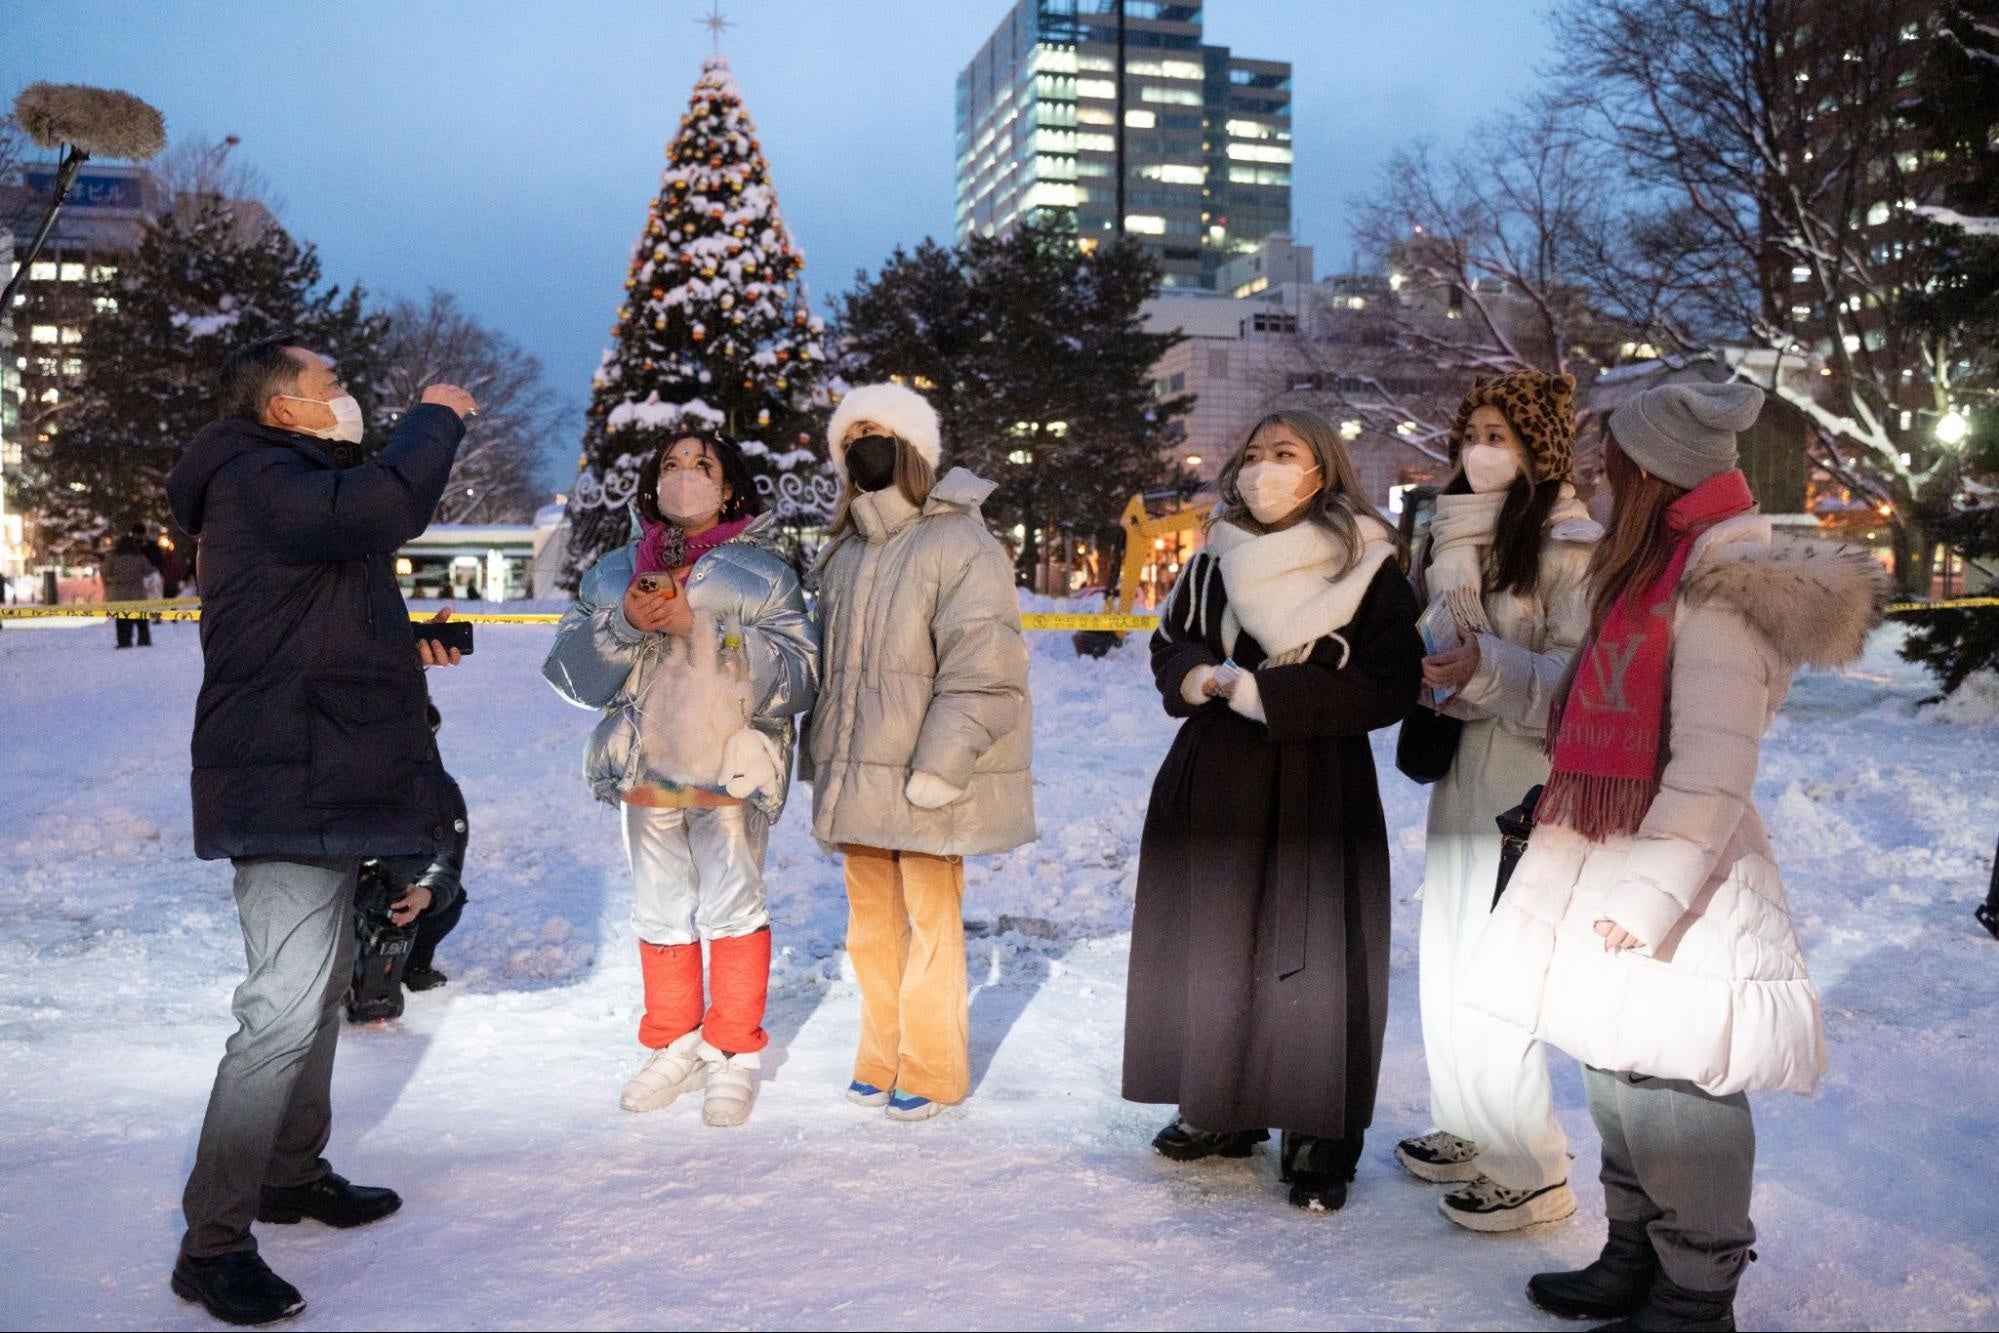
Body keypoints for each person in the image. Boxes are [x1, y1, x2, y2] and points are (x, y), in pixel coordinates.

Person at [1465, 382, 1888, 1329]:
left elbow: (1711, 765)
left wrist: (1651, 896)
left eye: (1612, 468)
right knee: (1615, 1066)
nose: (1601, 484)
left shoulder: (1719, 588)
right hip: (1608, 848)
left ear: (1651, 471)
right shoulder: (1650, 571)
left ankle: (1695, 1295)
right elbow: (1589, 712)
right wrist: (1485, 669)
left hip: (1678, 873)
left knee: (1676, 1085)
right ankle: (1633, 1254)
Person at [163, 332, 474, 1326]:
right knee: (279, 1012)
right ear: (284, 408)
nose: (344, 397)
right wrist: (438, 415)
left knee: (320, 989)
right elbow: (386, 502)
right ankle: (211, 1245)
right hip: (285, 780)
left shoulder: (284, 481)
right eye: (328, 384)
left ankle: (289, 1173)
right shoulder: (257, 477)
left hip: (321, 770)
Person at [1122, 409, 1423, 1212]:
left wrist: (1263, 692)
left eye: (1283, 453)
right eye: (1253, 453)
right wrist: (1204, 679)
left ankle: (1321, 1130)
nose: (1263, 467)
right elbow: (1170, 644)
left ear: (1321, 469)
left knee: (1311, 946)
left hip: (1315, 769)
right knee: (1218, 941)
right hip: (1215, 771)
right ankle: (1224, 1107)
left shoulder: (1365, 561)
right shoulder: (1214, 555)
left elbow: (1390, 677)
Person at [545, 429, 817, 1127]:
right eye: (671, 464)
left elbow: (801, 675)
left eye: (703, 465)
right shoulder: (612, 573)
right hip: (648, 766)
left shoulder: (765, 574)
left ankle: (733, 1050)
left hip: (729, 768)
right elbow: (573, 673)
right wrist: (626, 625)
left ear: (730, 487)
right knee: (659, 908)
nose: (685, 475)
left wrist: (705, 625)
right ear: (650, 482)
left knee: (734, 905)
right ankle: (672, 1040)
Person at [1394, 370, 1603, 1233]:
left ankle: (1531, 1166)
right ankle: (1470, 1124)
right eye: (1470, 433)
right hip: (1459, 772)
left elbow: (1580, 683)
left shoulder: (1569, 545)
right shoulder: (1448, 536)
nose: (1478, 450)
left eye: (1499, 436)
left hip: (1526, 779)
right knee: (1446, 958)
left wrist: (1482, 664)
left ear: (1538, 452)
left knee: (1498, 972)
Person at [809, 382, 1034, 1123]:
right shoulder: (843, 552)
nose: (862, 447)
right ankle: (881, 1052)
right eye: (850, 438)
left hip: (925, 773)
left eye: (877, 432)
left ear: (915, 449)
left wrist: (942, 762)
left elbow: (983, 662)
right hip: (858, 775)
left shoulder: (959, 541)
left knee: (932, 926)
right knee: (870, 927)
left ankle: (933, 1066)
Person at [346, 701, 469, 1020]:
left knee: (449, 901)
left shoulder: (442, 791)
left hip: (407, 886)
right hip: (352, 888)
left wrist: (423, 894)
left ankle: (413, 963)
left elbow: (449, 860)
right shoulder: (346, 783)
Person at [103, 526, 155, 648]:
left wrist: (109, 583)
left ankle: (124, 642)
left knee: (122, 620)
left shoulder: (113, 557)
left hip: (119, 594)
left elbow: (104, 571)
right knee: (141, 620)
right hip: (137, 592)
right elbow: (148, 570)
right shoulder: (139, 557)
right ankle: (144, 640)